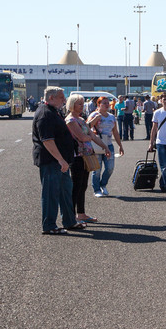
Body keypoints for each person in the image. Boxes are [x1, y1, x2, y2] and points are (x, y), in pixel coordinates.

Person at [33, 87, 82, 234]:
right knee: (50, 194)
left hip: (61, 161)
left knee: (65, 191)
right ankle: (49, 226)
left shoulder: (54, 111)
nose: (64, 100)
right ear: (51, 98)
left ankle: (69, 221)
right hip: (52, 161)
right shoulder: (45, 114)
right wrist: (60, 160)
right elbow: (47, 140)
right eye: (61, 97)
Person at [66, 94, 108, 223]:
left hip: (87, 154)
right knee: (76, 185)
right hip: (77, 156)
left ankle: (81, 213)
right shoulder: (70, 120)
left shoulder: (81, 119)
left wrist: (105, 147)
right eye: (79, 103)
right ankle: (71, 215)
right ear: (72, 105)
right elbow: (82, 137)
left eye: (82, 103)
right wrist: (89, 137)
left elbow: (92, 136)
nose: (82, 106)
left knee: (83, 185)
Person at [87, 98, 123, 198]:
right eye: (104, 103)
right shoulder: (94, 114)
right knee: (97, 169)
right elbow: (86, 127)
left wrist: (120, 145)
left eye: (108, 103)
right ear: (98, 104)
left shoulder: (111, 117)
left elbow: (115, 132)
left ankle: (103, 184)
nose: (107, 105)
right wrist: (95, 119)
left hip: (109, 144)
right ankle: (97, 189)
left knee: (110, 168)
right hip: (96, 144)